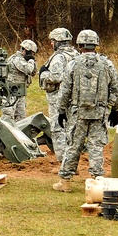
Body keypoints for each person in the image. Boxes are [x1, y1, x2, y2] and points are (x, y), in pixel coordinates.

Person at [53, 29, 118, 192]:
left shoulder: (73, 64)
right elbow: (116, 89)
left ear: (80, 44)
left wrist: (61, 111)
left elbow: (65, 90)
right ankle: (97, 181)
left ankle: (65, 182)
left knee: (73, 145)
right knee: (96, 146)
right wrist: (114, 109)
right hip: (99, 113)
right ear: (95, 44)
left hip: (78, 114)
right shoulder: (107, 64)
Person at [40, 28, 78, 161]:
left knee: (57, 129)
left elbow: (56, 76)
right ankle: (73, 159)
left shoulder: (59, 57)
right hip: (74, 98)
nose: (51, 44)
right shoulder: (76, 54)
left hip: (58, 98)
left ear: (58, 41)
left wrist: (44, 74)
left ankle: (63, 161)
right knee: (71, 128)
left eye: (52, 41)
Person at [4, 40, 38, 122]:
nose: (33, 56)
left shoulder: (25, 60)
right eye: (32, 53)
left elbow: (34, 72)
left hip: (20, 91)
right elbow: (28, 69)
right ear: (25, 50)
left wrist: (32, 60)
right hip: (12, 91)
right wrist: (31, 60)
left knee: (21, 117)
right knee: (9, 115)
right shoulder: (16, 59)